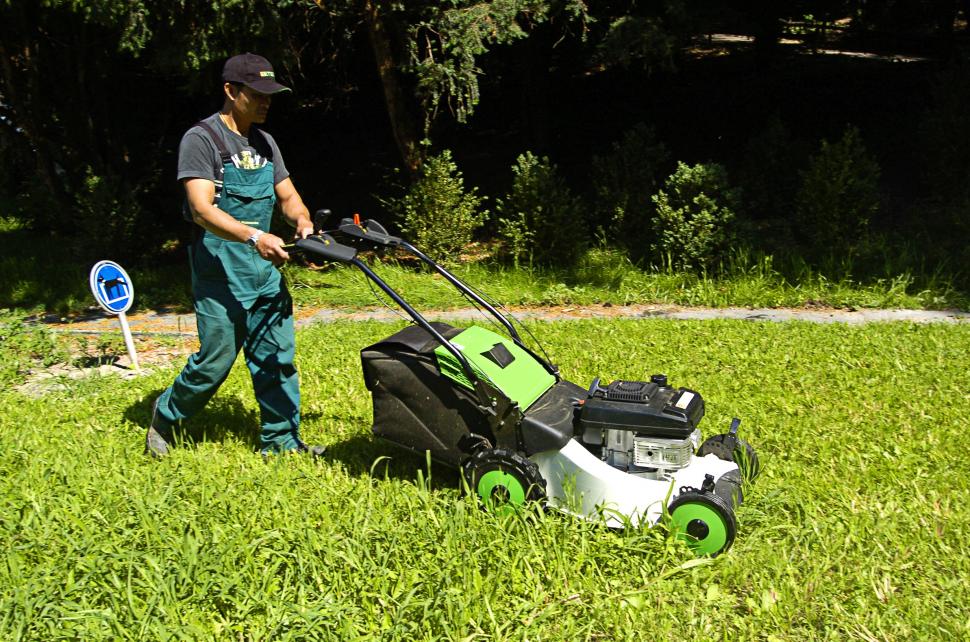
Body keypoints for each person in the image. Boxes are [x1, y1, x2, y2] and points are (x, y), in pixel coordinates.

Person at [146, 52, 323, 458]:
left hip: (264, 272)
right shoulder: (202, 139)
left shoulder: (265, 142)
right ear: (231, 91)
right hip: (220, 272)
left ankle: (281, 442)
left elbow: (289, 196)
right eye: (256, 94)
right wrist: (254, 236)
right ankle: (167, 414)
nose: (266, 102)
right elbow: (201, 209)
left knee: (277, 357)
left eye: (270, 95)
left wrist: (302, 221)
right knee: (215, 361)